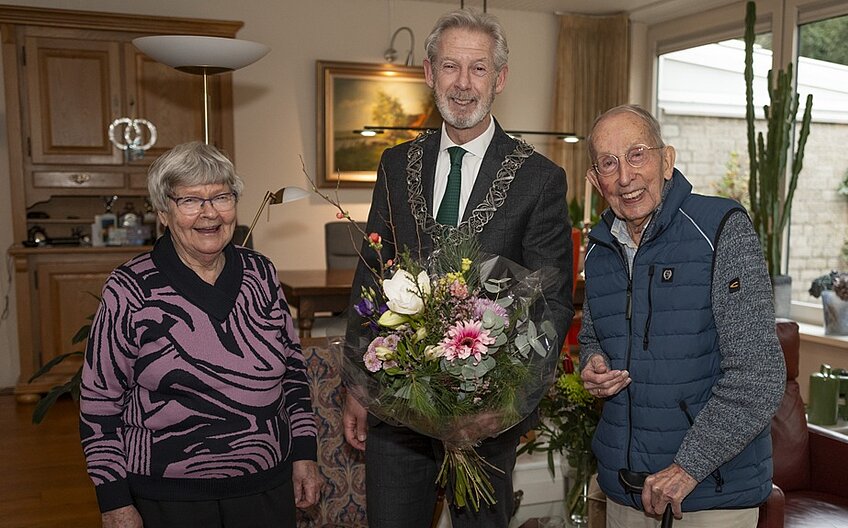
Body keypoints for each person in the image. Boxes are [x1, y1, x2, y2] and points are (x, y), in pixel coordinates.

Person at [341, 9, 574, 528]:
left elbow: (552, 302)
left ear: (500, 78)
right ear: (428, 72)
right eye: (450, 67)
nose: (463, 84)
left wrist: (513, 406)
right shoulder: (396, 165)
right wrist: (357, 388)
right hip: (396, 404)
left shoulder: (539, 179)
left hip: (488, 413)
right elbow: (371, 277)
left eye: (478, 69)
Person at [79, 142, 322, 528]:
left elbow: (292, 371)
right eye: (190, 200)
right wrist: (114, 501)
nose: (209, 213)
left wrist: (303, 453)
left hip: (265, 487)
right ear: (163, 211)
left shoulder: (262, 274)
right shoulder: (130, 289)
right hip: (169, 496)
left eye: (221, 197)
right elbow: (100, 402)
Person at [578, 105, 785, 528]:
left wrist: (689, 467)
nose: (624, 176)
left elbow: (759, 375)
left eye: (637, 155)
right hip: (623, 492)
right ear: (595, 179)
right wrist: (593, 363)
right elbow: (593, 334)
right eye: (608, 163)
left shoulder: (721, 227)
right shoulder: (599, 251)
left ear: (666, 160)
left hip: (710, 495)